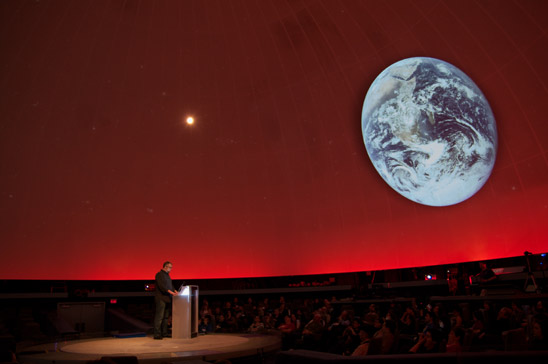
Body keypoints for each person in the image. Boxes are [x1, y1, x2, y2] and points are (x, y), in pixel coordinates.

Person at [154, 261, 178, 340]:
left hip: (168, 298)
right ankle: (157, 334)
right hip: (161, 298)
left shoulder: (168, 276)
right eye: (170, 267)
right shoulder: (159, 275)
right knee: (160, 317)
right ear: (165, 267)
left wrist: (175, 290)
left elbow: (170, 286)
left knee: (166, 317)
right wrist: (170, 292)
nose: (171, 269)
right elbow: (162, 286)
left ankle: (164, 333)